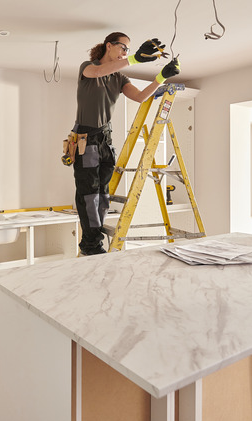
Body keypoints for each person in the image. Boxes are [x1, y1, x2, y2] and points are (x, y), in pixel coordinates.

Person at [71, 32, 180, 255]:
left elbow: (140, 97)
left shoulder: (119, 78)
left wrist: (161, 77)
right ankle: (91, 245)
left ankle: (93, 240)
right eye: (123, 47)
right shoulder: (88, 67)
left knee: (102, 193)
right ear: (108, 46)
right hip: (86, 138)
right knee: (88, 193)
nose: (125, 52)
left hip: (105, 139)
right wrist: (135, 59)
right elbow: (100, 71)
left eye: (128, 50)